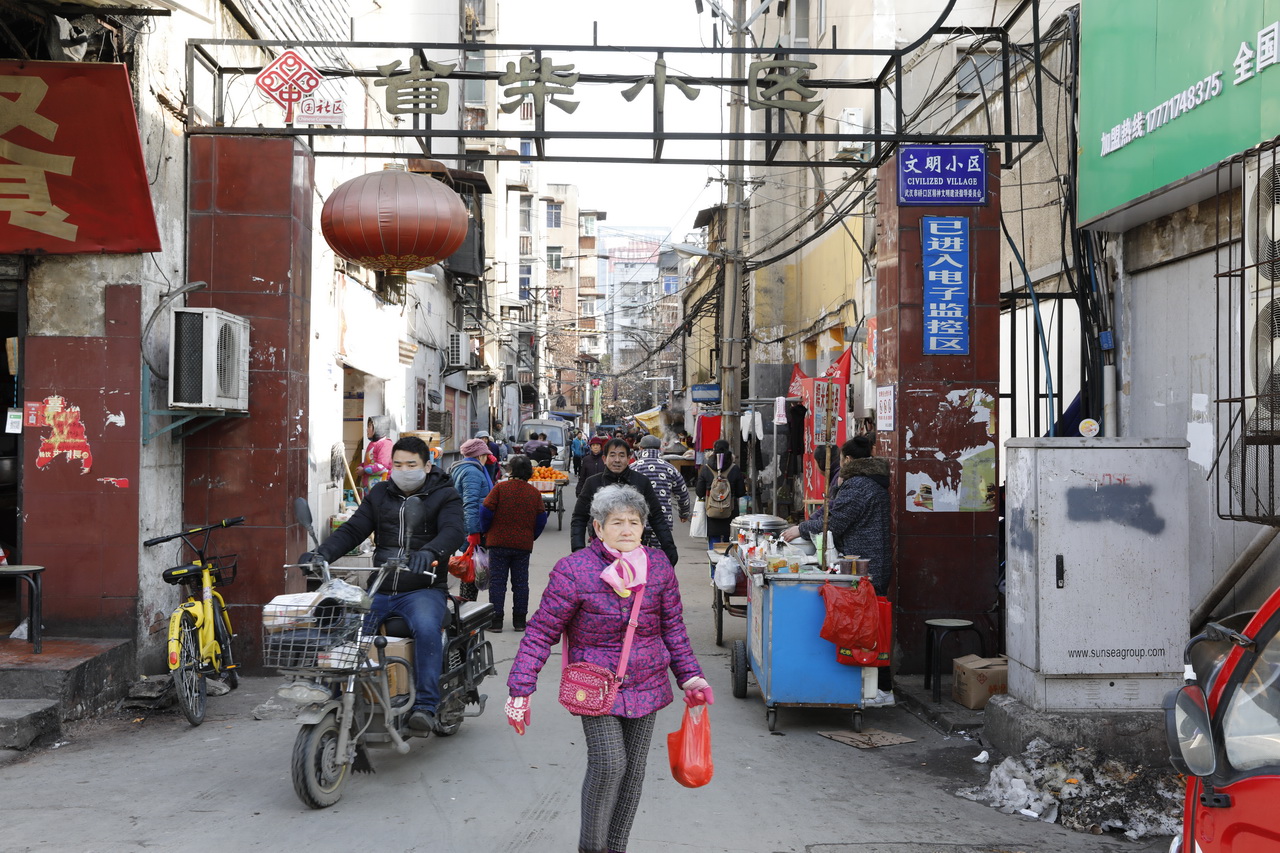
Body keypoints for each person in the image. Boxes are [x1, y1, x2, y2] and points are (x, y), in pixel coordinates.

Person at [504, 485, 712, 853]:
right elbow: (540, 631)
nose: (628, 530)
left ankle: (615, 848)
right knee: (610, 764)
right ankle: (591, 847)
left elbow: (673, 627)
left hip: (647, 683)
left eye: (634, 522)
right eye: (618, 522)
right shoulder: (574, 570)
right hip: (595, 685)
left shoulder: (658, 566)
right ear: (599, 528)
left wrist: (690, 676)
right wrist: (520, 689)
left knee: (633, 774)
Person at [301, 435, 464, 734]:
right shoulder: (379, 494)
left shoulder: (446, 495)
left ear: (427, 466)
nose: (403, 470)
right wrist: (321, 553)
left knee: (427, 629)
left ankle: (426, 706)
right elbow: (353, 530)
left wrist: (429, 552)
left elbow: (453, 531)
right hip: (381, 587)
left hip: (424, 589)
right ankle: (337, 696)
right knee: (345, 630)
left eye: (411, 464)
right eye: (397, 464)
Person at [782, 436, 890, 595]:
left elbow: (833, 524)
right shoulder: (869, 480)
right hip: (872, 562)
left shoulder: (857, 485)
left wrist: (802, 529)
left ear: (847, 459)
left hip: (864, 566)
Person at [572, 438, 679, 566]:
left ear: (629, 459)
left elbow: (656, 517)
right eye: (612, 455)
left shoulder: (641, 482)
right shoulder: (592, 483)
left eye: (621, 455)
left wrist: (669, 546)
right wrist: (578, 549)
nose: (617, 460)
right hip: (601, 552)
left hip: (634, 549)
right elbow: (579, 517)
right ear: (604, 459)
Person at [478, 455, 548, 633]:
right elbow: (541, 519)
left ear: (511, 471)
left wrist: (487, 530)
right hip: (522, 546)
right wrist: (531, 536)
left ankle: (496, 622)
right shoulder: (534, 493)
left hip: (498, 542)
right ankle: (519, 622)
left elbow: (485, 511)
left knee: (497, 582)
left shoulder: (500, 488)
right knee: (521, 583)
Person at [450, 437, 495, 602]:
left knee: (470, 571)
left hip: (468, 526)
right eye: (485, 455)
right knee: (471, 572)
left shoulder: (465, 468)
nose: (487, 459)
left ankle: (465, 609)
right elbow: (471, 504)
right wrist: (474, 532)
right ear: (479, 455)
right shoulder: (472, 472)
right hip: (472, 528)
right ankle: (466, 610)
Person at [630, 434, 692, 532]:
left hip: (636, 523)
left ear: (641, 448)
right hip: (663, 523)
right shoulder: (670, 469)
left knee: (638, 547)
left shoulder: (632, 468)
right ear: (659, 448)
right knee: (660, 547)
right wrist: (684, 513)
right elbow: (682, 493)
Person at [694, 438, 746, 551]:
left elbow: (699, 492)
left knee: (713, 542)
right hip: (730, 512)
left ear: (713, 451)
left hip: (711, 512)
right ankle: (727, 566)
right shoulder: (735, 469)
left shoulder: (706, 469)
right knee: (730, 544)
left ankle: (714, 568)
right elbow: (741, 492)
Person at [354, 415, 393, 492]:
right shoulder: (372, 444)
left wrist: (364, 470)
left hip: (380, 488)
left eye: (369, 427)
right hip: (368, 487)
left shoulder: (386, 444)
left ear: (379, 428)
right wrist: (361, 466)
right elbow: (370, 462)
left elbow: (382, 466)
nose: (367, 429)